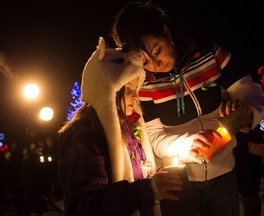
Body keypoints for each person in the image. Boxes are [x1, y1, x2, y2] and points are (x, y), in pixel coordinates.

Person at [111, 1, 264, 215]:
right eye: (146, 62)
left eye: (157, 51)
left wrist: (246, 111)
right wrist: (188, 144)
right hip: (178, 181)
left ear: (166, 31)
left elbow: (250, 90)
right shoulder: (145, 84)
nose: (157, 64)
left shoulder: (209, 54)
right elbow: (155, 137)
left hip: (224, 175)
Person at [57, 37, 183, 216]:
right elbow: (84, 206)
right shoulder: (87, 136)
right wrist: (149, 189)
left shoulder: (130, 130)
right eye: (128, 90)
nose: (135, 97)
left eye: (136, 90)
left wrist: (155, 178)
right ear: (108, 90)